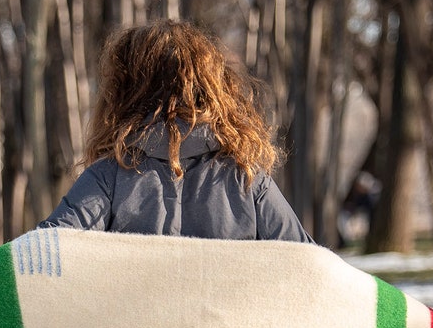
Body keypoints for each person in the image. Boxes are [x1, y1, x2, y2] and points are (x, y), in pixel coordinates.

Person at [36, 20, 313, 243]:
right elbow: (309, 268)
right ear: (212, 89)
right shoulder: (248, 179)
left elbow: (41, 257)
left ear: (124, 94)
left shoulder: (109, 178)